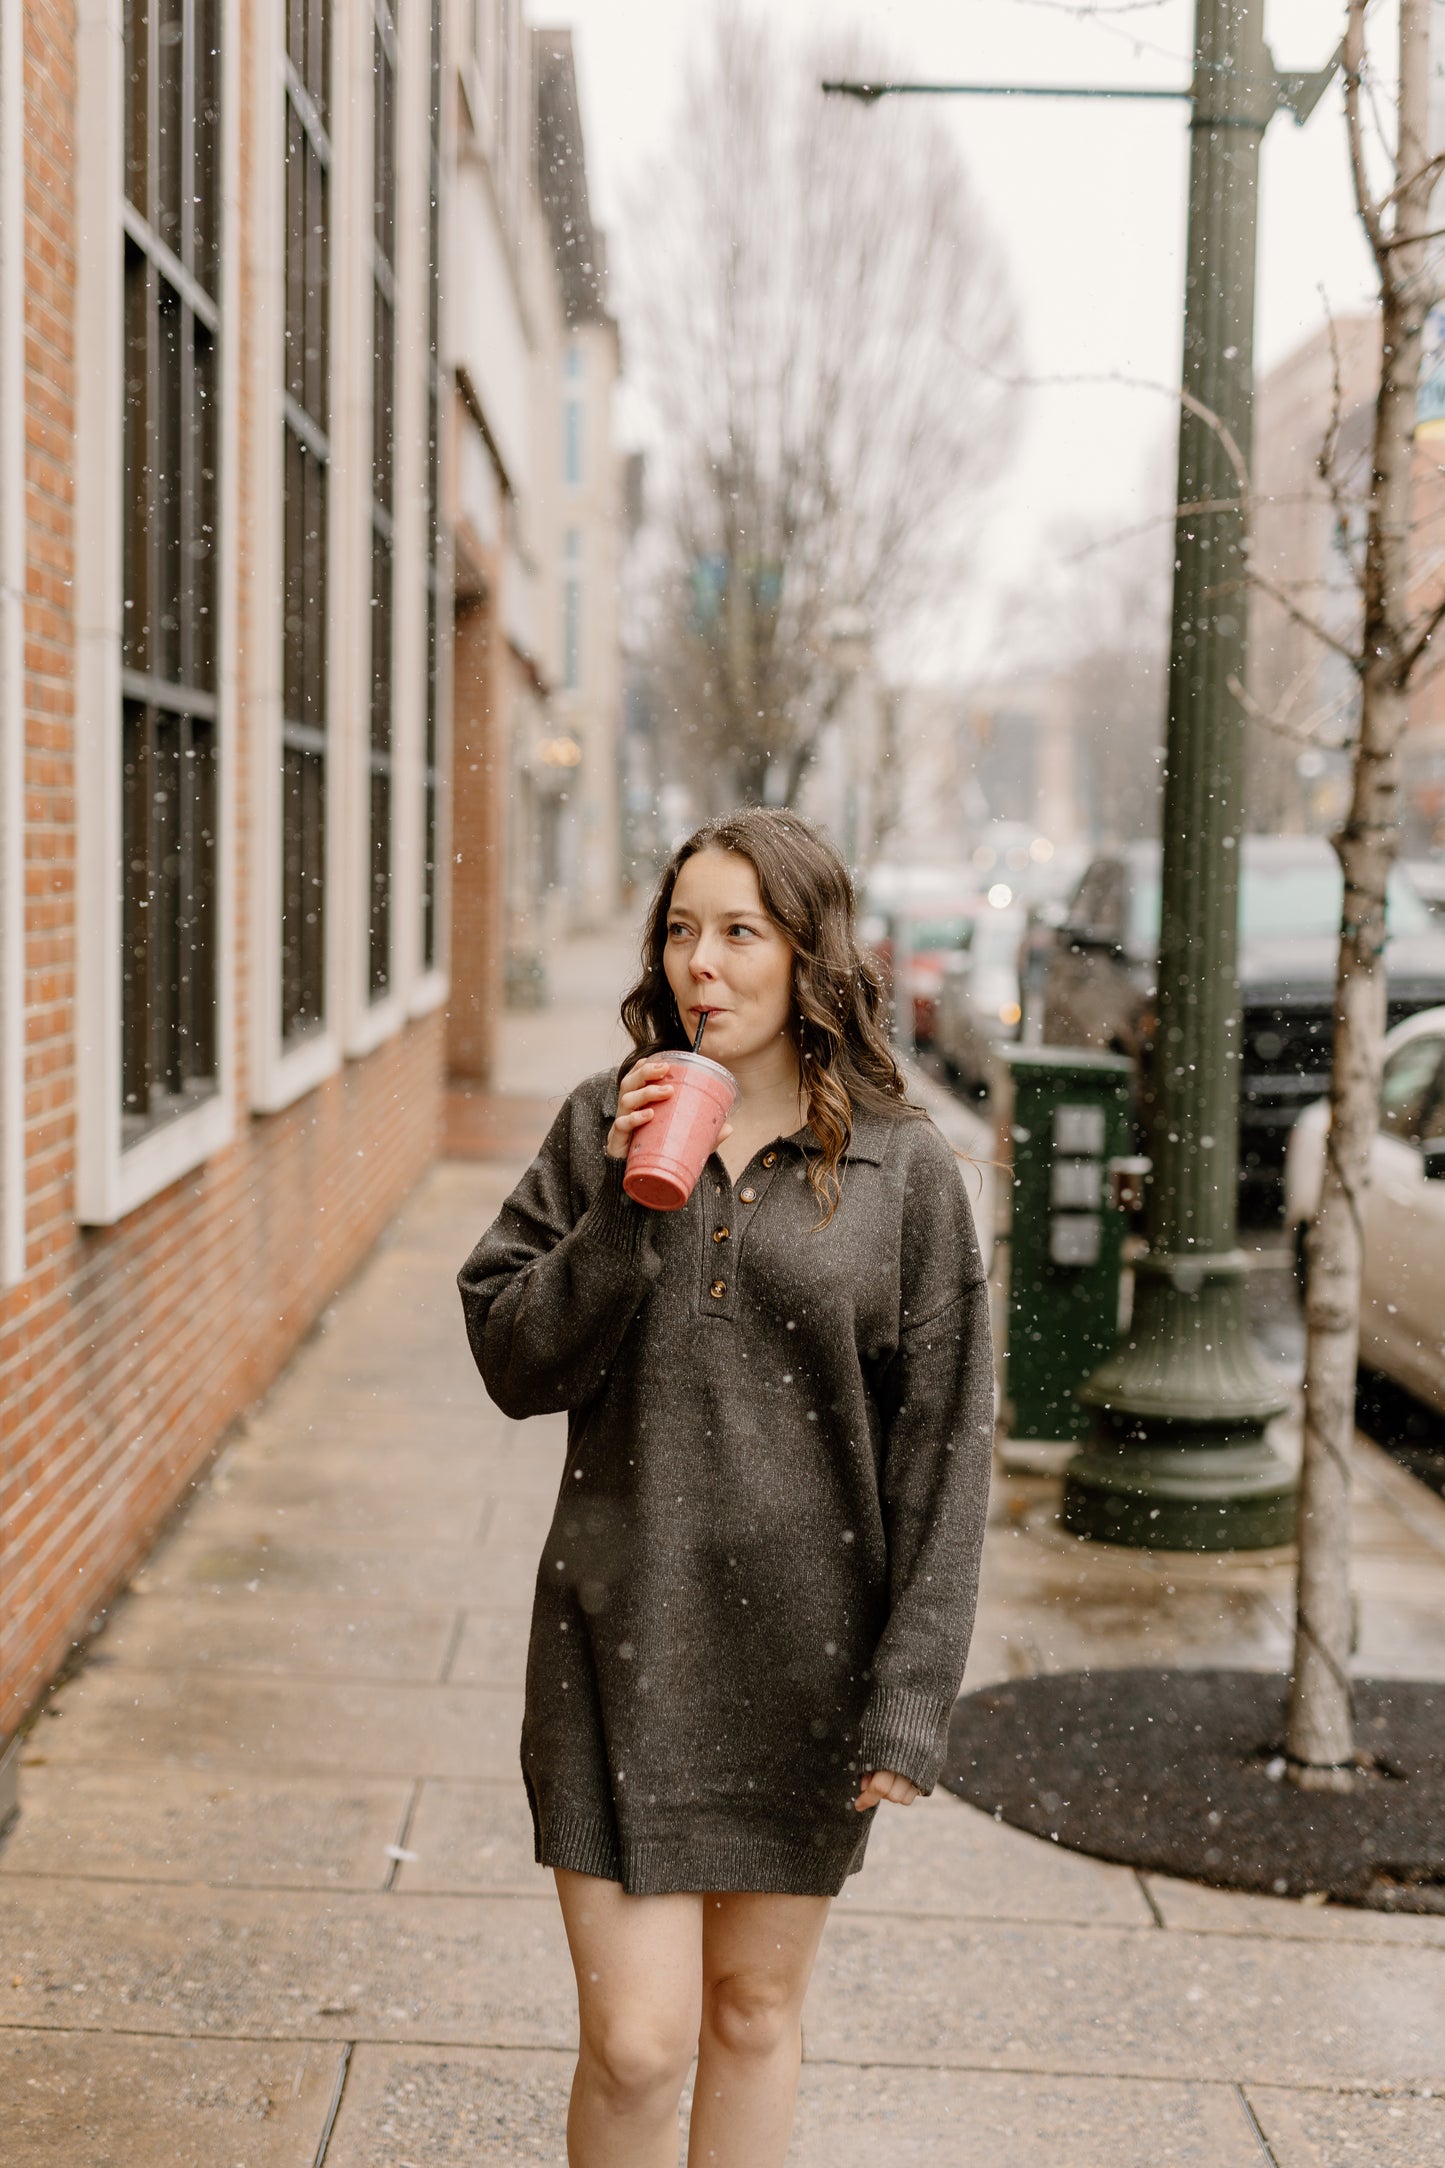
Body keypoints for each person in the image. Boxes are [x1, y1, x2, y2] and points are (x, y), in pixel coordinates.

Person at [458, 808, 994, 2168]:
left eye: (739, 932)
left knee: (752, 2016)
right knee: (638, 2045)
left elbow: (943, 1445)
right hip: (618, 1633)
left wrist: (909, 1689)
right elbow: (515, 1359)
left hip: (799, 1657)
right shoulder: (603, 1122)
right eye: (682, 930)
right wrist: (630, 1210)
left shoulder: (903, 1169)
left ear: (808, 954)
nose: (703, 962)